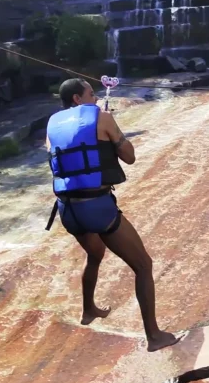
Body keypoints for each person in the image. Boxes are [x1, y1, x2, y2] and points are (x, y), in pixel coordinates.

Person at [46, 78, 180, 352]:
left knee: (95, 254)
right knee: (143, 265)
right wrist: (113, 134)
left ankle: (88, 310)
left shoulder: (52, 127)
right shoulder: (102, 118)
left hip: (67, 210)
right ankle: (154, 337)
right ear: (77, 99)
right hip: (96, 206)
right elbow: (129, 156)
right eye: (90, 94)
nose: (94, 98)